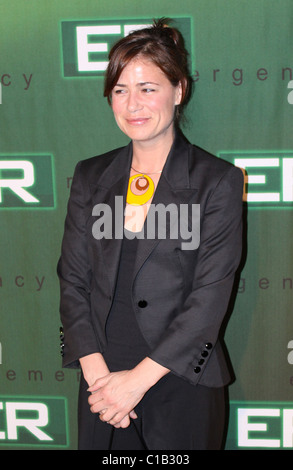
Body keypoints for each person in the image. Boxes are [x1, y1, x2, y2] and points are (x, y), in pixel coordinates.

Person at [57, 18, 243, 450]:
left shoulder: (217, 181)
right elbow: (73, 282)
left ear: (178, 91)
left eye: (148, 88)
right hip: (101, 383)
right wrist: (99, 377)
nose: (132, 104)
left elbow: (209, 298)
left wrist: (135, 383)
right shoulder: (90, 176)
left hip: (180, 382)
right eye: (120, 90)